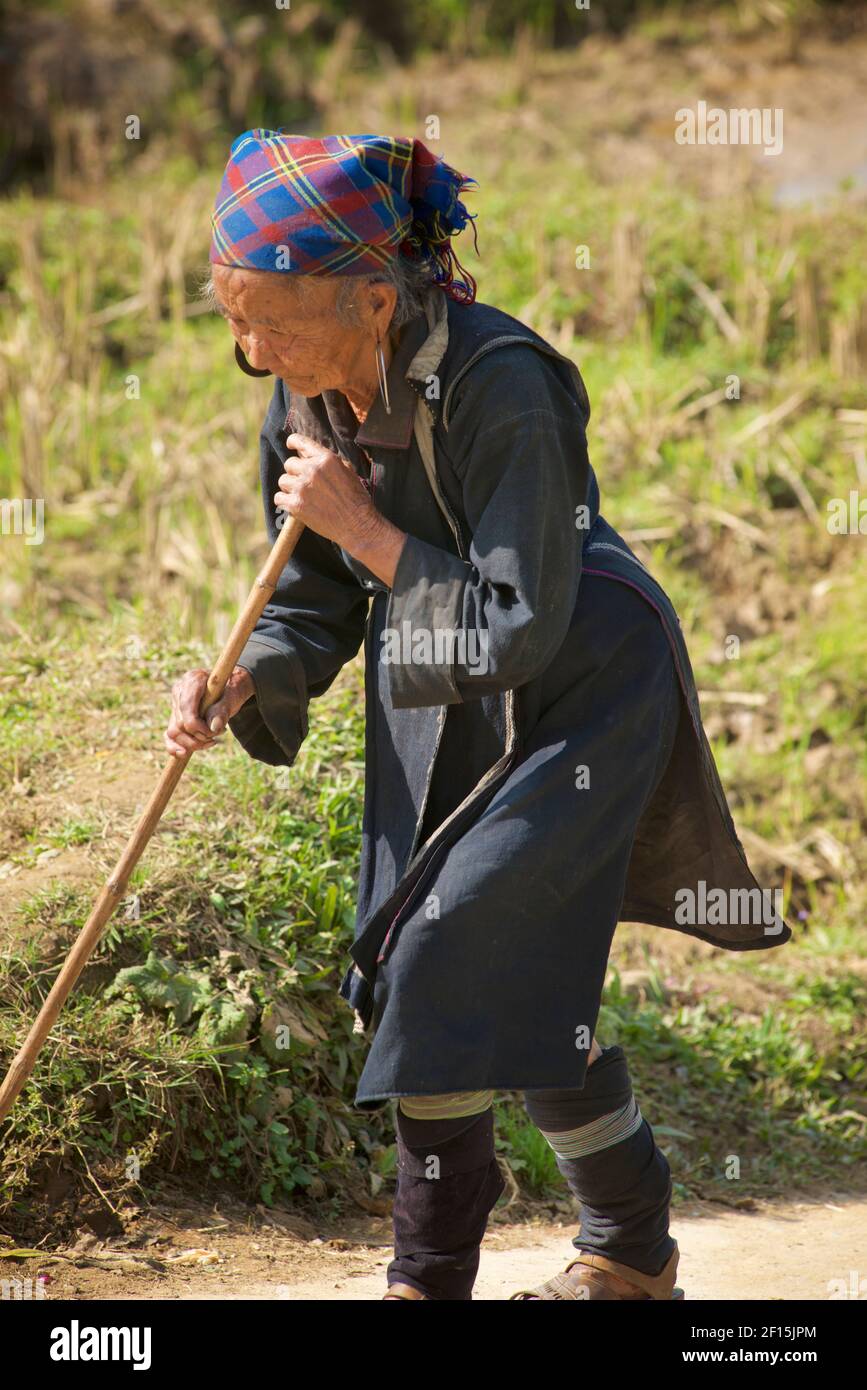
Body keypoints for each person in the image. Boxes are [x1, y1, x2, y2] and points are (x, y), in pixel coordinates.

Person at [166, 130, 790, 1300]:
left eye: (272, 321)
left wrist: (367, 531)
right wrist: (245, 675)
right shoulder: (301, 397)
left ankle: (430, 1278)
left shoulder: (505, 383)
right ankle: (632, 1257)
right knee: (479, 967)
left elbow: (518, 619)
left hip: (584, 682)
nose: (253, 354)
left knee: (454, 947)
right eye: (232, 320)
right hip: (438, 683)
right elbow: (308, 601)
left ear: (370, 294)